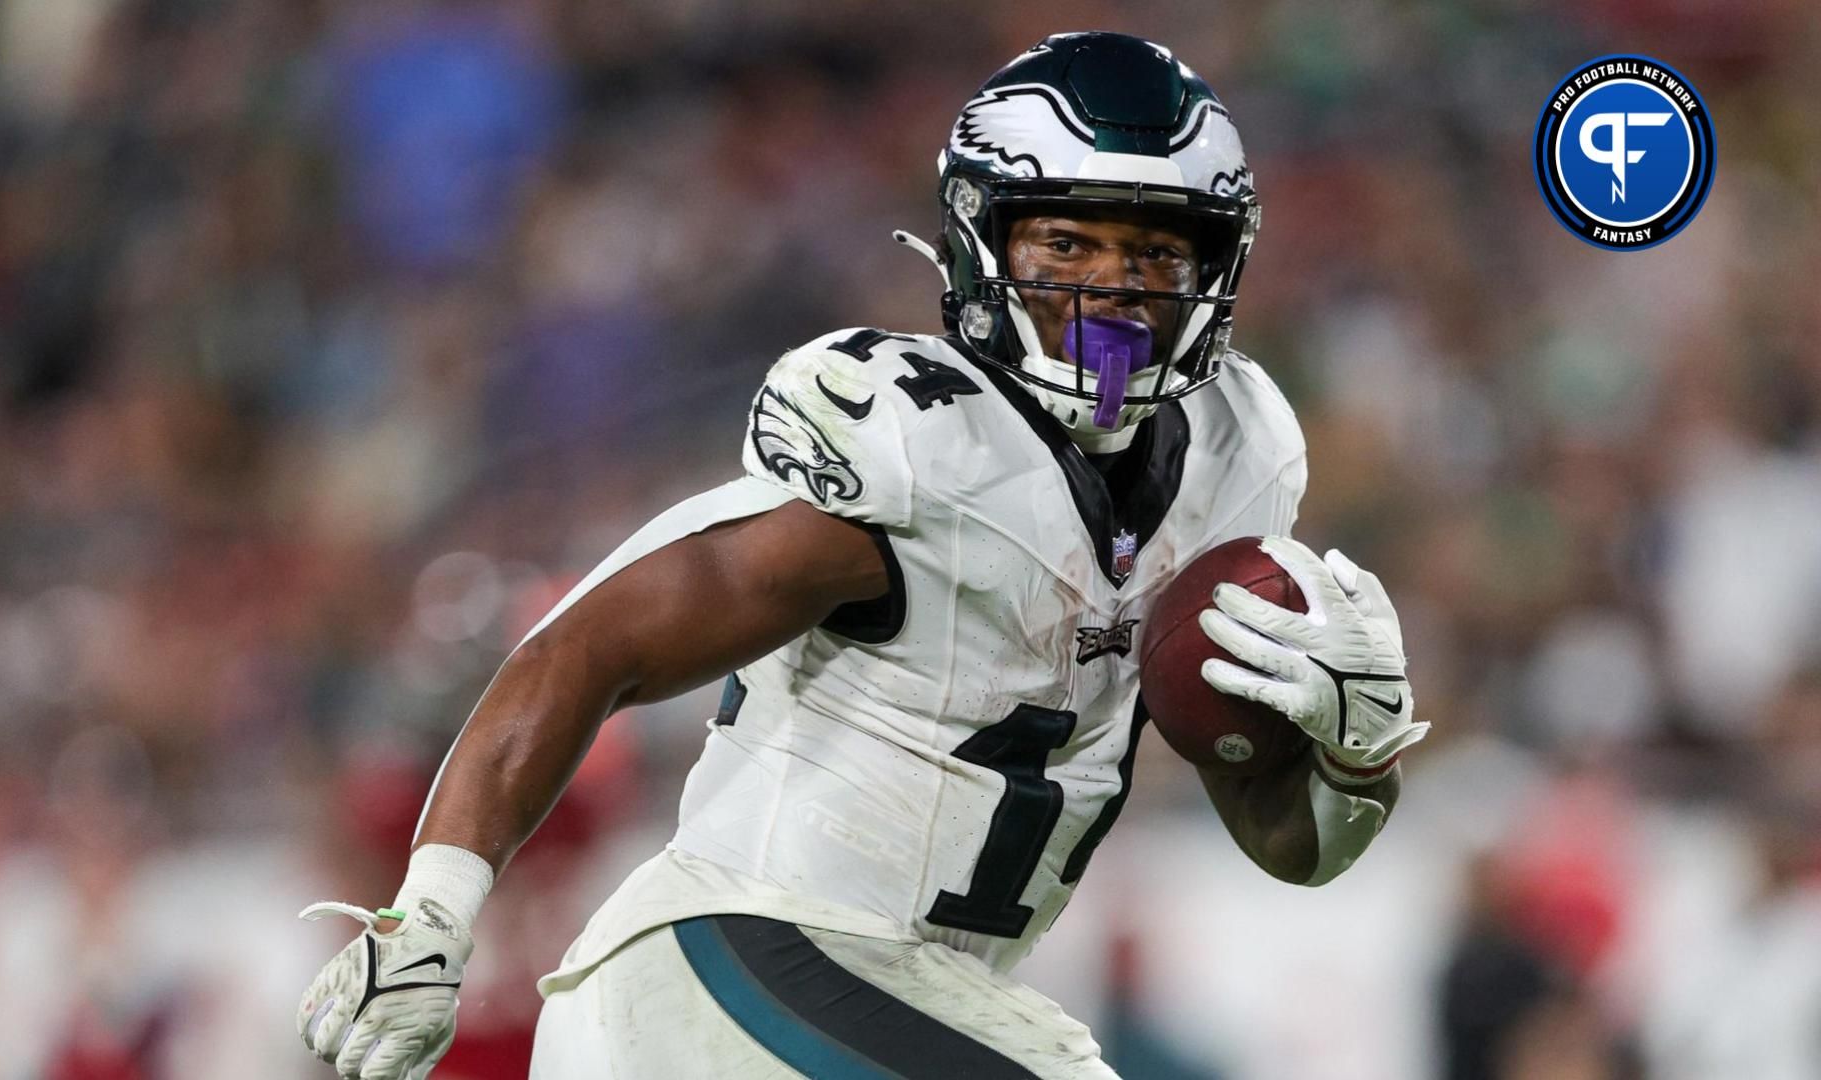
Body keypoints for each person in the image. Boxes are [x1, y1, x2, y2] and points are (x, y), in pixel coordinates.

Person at [296, 31, 1428, 1080]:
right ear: (984, 242)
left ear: (1212, 269)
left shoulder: (1241, 456)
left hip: (910, 1004)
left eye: (1151, 251)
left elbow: (1295, 851)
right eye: (1068, 241)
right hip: (734, 969)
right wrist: (433, 909)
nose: (1112, 287)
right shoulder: (919, 443)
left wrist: (1354, 756)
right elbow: (591, 646)